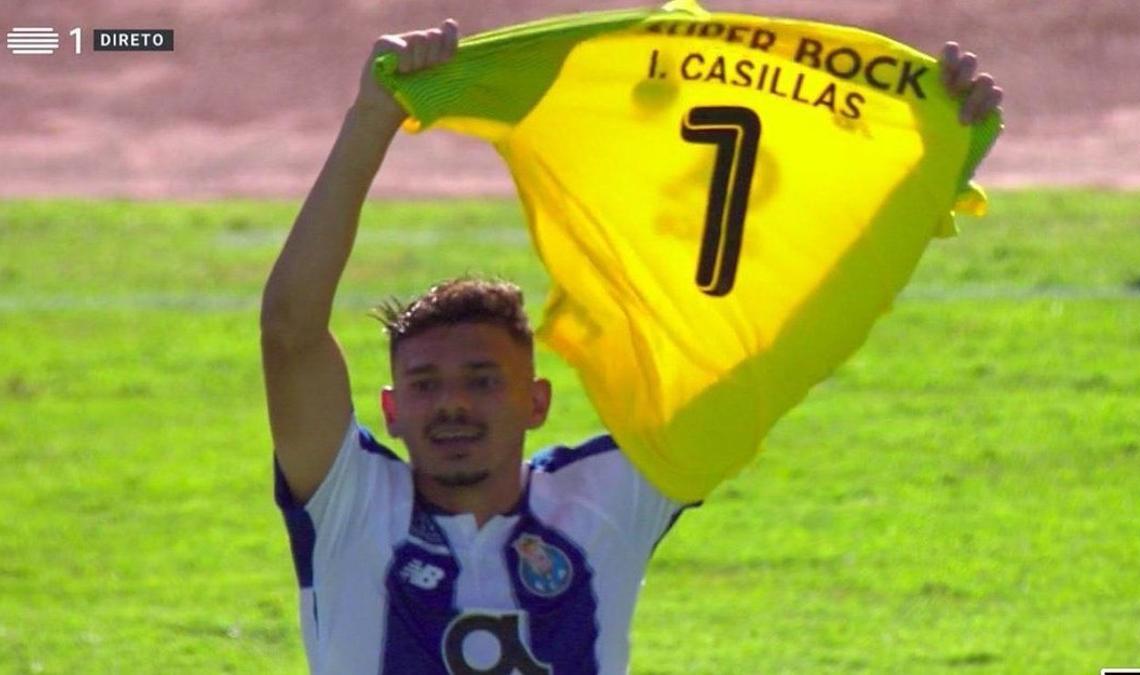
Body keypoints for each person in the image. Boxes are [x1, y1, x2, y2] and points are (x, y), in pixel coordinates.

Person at [261, 18, 1002, 675]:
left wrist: (920, 171)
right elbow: (290, 332)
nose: (452, 401)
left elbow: (777, 332)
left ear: (537, 400)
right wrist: (372, 118)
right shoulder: (350, 502)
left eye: (483, 379)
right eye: (425, 384)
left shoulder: (607, 495)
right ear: (389, 409)